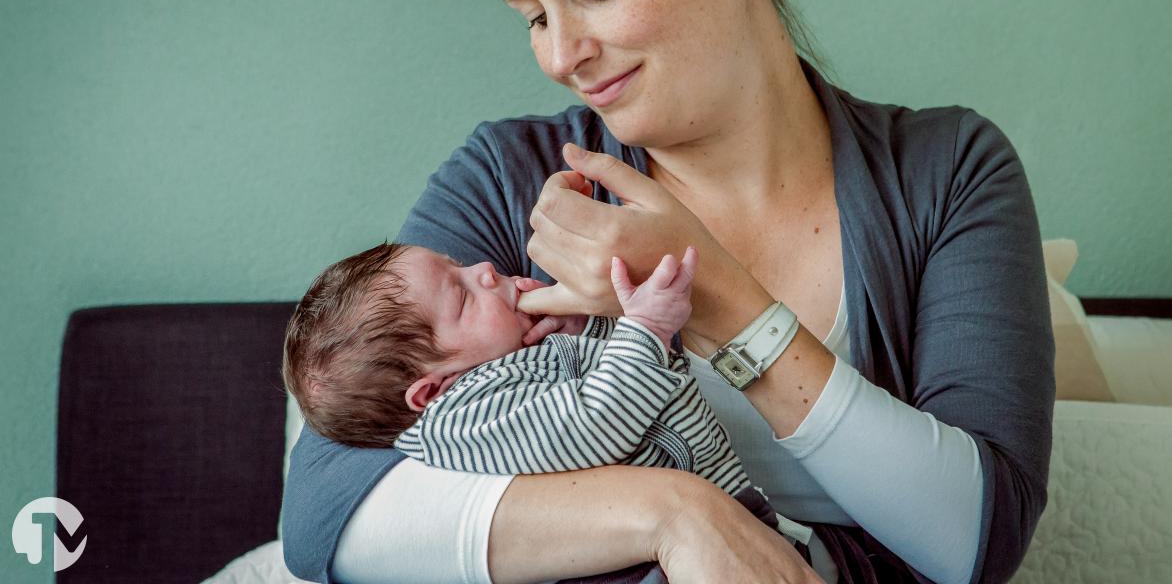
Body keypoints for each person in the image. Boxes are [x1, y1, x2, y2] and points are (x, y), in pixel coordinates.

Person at [280, 0, 1054, 582]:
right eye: (534, 16)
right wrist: (675, 515)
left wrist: (721, 298)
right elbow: (321, 516)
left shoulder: (949, 171)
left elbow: (977, 545)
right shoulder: (508, 179)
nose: (559, 56)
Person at [282, 242, 819, 579]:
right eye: (464, 296)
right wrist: (646, 329)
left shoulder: (511, 362)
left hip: (730, 514)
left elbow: (619, 389)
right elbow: (592, 425)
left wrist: (591, 331)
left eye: (462, 266)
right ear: (431, 392)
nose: (486, 270)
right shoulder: (463, 419)